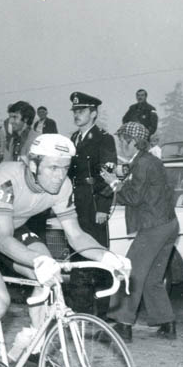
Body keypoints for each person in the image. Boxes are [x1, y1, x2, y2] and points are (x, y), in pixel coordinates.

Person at [0, 134, 131, 367]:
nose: (60, 175)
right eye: (53, 168)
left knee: (50, 278)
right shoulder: (6, 180)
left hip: (14, 225)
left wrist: (108, 258)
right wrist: (37, 261)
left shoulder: (63, 186)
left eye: (65, 168)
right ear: (32, 165)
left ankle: (31, 346)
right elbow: (2, 240)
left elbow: (76, 235)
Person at [100, 122, 179, 342]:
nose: (119, 145)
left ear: (132, 142)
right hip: (169, 224)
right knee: (153, 278)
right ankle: (167, 323)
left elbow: (134, 197)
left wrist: (114, 183)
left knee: (130, 274)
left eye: (122, 140)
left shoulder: (143, 163)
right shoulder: (148, 160)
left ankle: (122, 326)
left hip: (154, 226)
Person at [68, 91, 117, 319]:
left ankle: (102, 314)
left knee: (97, 257)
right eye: (75, 111)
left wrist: (103, 208)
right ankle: (81, 311)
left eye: (82, 111)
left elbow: (108, 175)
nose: (77, 115)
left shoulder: (104, 138)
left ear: (94, 113)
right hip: (75, 205)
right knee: (78, 257)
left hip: (94, 204)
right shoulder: (72, 140)